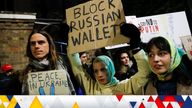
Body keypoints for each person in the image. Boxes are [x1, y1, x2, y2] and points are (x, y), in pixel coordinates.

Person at [67, 23, 150, 95]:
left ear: (111, 69)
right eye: (96, 71)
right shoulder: (91, 89)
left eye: (103, 69)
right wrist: (70, 42)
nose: (99, 74)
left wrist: (136, 47)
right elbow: (77, 67)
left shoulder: (125, 87)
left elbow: (145, 72)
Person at [21, 30, 76, 95]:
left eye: (41, 42)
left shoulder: (66, 67)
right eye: (33, 43)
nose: (36, 46)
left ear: (49, 45)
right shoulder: (24, 75)